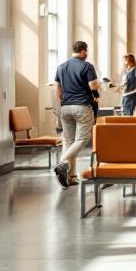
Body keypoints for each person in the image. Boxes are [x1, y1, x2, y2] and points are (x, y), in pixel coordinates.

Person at [53, 40, 101, 188]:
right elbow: (93, 86)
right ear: (83, 51)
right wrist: (96, 94)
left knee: (68, 141)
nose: (87, 54)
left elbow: (58, 93)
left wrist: (67, 99)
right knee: (83, 138)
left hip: (66, 107)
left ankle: (71, 176)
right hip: (82, 106)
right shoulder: (87, 66)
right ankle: (61, 162)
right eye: (86, 51)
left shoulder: (61, 67)